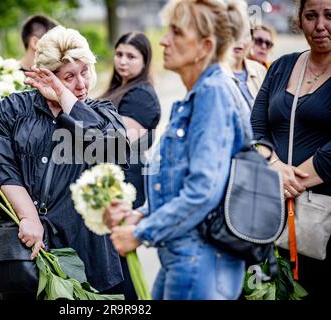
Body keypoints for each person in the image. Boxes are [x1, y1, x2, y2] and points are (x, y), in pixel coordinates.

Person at [0, 25, 130, 300]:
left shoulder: (103, 113)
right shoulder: (15, 109)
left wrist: (66, 98)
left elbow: (112, 150)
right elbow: (1, 166)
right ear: (46, 75)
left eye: (85, 71)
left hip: (84, 252)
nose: (81, 84)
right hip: (25, 245)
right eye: (69, 76)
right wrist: (29, 217)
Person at [103, 0, 251, 300]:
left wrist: (140, 233)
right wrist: (139, 215)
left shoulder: (213, 93)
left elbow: (203, 190)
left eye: (176, 32)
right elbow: (178, 185)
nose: (163, 40)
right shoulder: (198, 94)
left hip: (200, 261)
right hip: (182, 258)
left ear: (204, 46)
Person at [251, 0, 331, 299]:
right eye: (311, 16)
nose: (320, 25)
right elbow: (255, 127)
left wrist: (291, 181)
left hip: (323, 215)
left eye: (329, 15)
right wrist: (273, 166)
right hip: (272, 209)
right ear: (299, 20)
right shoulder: (282, 66)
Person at [99, 31, 161, 300]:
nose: (122, 61)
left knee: (120, 263)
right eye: (119, 54)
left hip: (127, 186)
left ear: (144, 61)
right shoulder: (115, 89)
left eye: (131, 56)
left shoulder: (142, 95)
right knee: (110, 260)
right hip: (110, 183)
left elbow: (117, 143)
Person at [230, 30, 267, 110]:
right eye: (234, 33)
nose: (239, 40)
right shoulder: (214, 73)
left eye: (245, 35)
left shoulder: (260, 70)